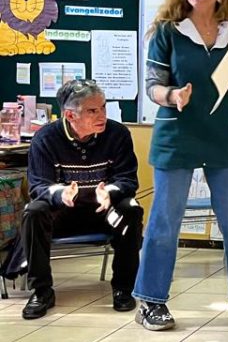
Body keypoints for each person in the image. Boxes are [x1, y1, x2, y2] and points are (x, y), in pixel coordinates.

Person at [134, 0, 228, 331]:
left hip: (223, 137)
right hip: (177, 136)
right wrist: (172, 96)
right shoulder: (167, 32)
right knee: (165, 222)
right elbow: (152, 87)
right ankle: (151, 301)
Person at [15, 79, 143, 320]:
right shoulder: (46, 138)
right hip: (63, 213)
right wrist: (60, 193)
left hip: (104, 212)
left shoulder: (118, 134)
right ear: (70, 115)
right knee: (34, 211)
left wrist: (111, 192)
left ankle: (124, 289)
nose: (101, 115)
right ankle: (42, 292)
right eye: (92, 110)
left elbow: (128, 180)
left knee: (131, 209)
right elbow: (38, 186)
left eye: (103, 107)